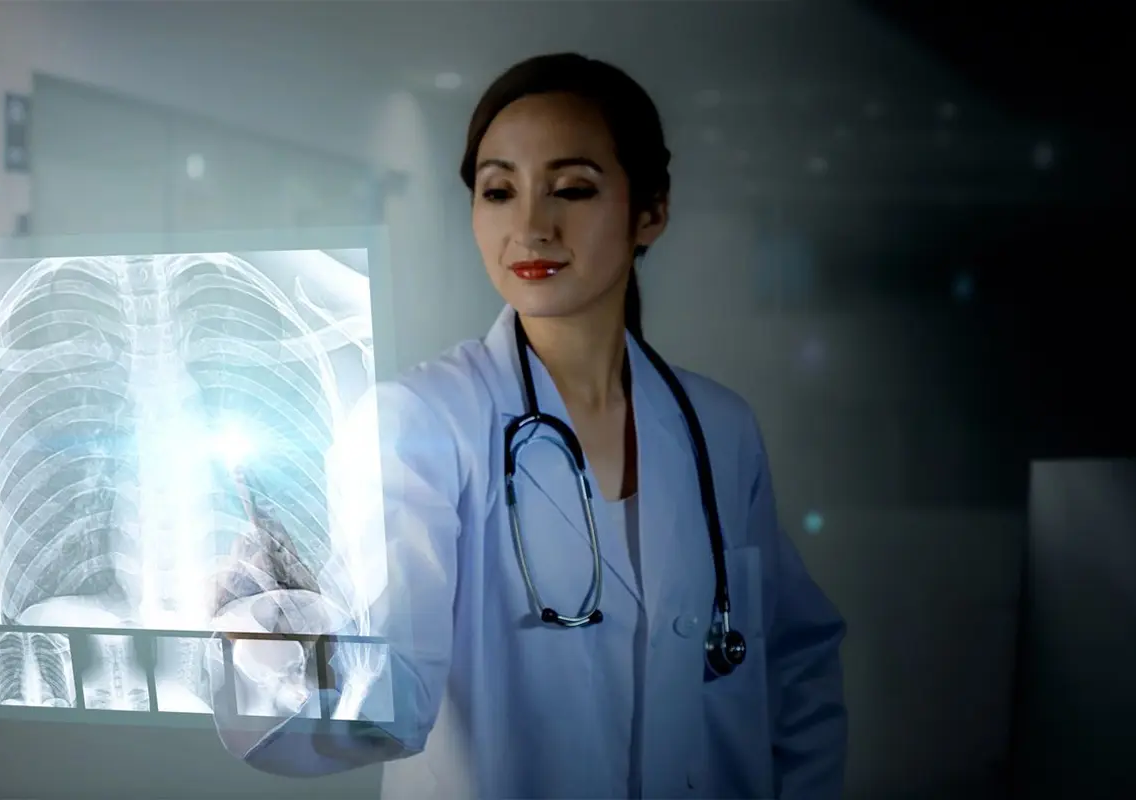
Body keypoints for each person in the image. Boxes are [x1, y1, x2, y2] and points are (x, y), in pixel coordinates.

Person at [209, 53, 847, 799]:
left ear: (652, 210)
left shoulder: (718, 428)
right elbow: (386, 700)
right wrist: (264, 638)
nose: (530, 226)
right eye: (498, 190)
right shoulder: (422, 423)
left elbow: (796, 661)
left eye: (572, 189)